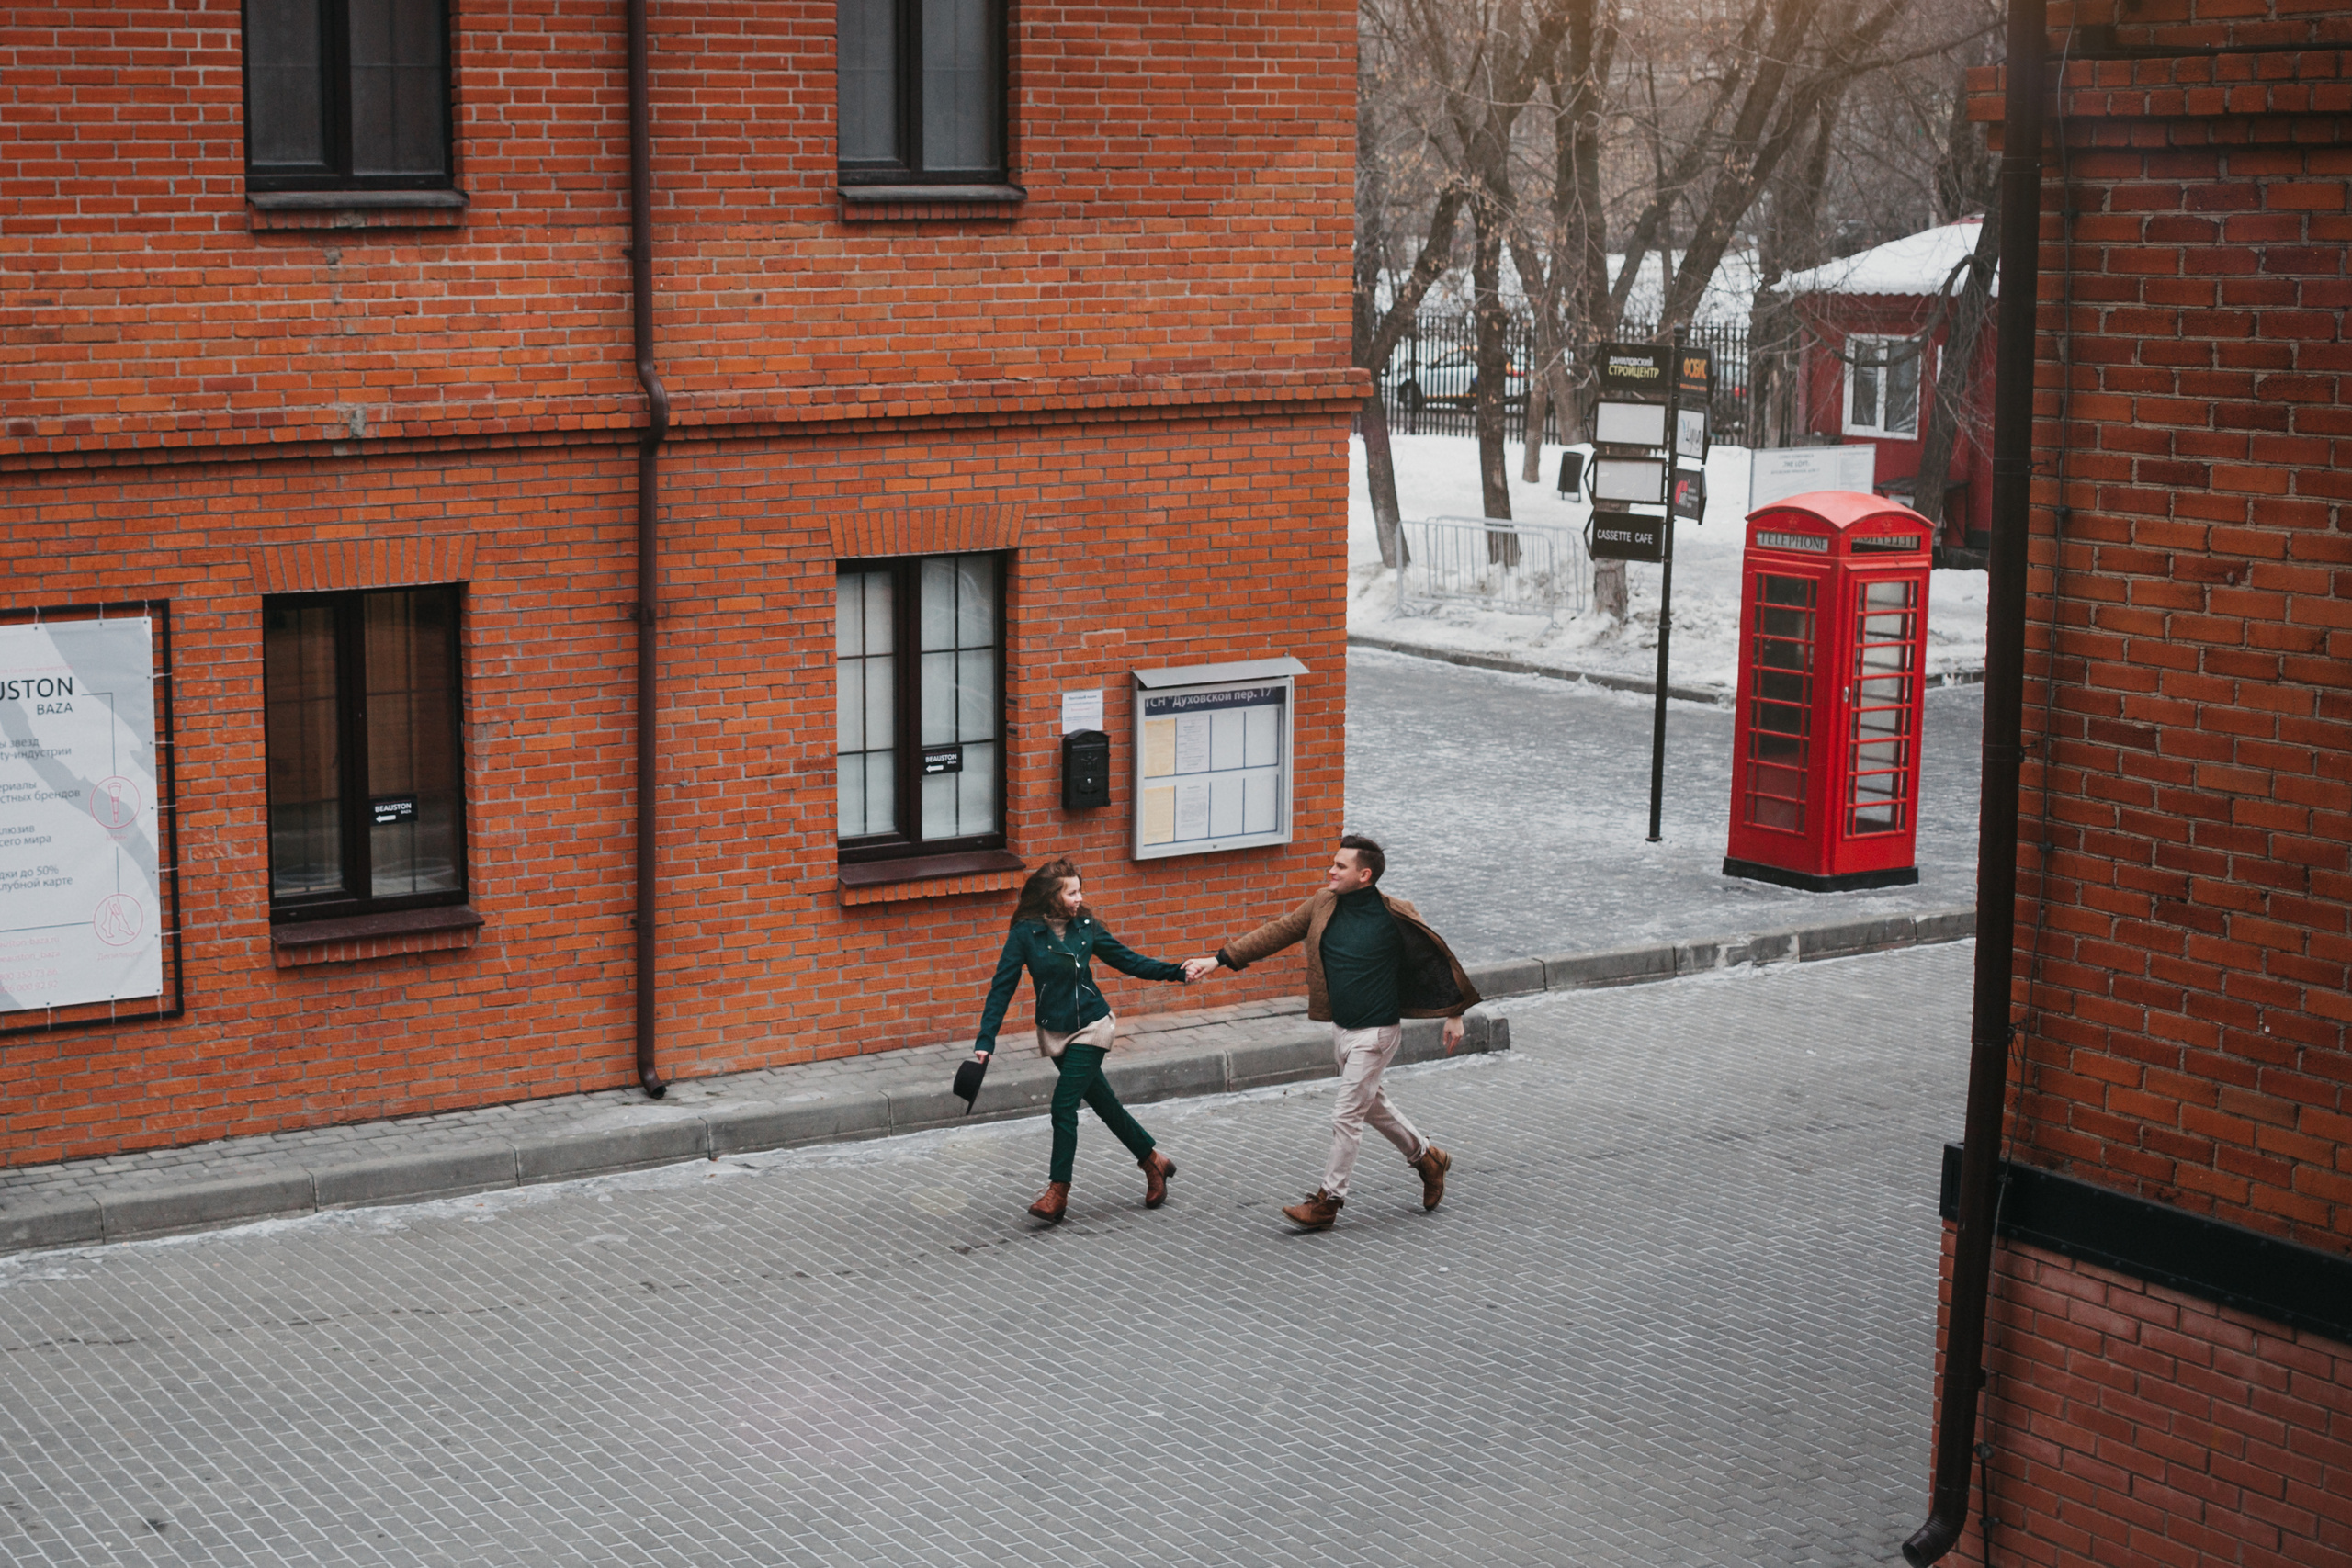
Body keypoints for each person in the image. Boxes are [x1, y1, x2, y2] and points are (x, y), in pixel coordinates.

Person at [1184, 834, 1477, 1231]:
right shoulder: (1324, 903)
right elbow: (1279, 930)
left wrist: (1454, 1011)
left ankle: (1328, 1201)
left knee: (1345, 1114)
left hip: (1377, 1033)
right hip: (1341, 1029)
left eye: (1340, 866)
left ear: (1364, 875)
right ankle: (1428, 1158)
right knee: (1370, 1105)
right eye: (1333, 863)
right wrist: (1218, 960)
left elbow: (1434, 959)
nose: (1331, 870)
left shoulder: (1395, 914)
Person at [970, 857, 1190, 1224]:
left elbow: (1129, 961)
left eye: (1078, 890)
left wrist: (1176, 972)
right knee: (1105, 1104)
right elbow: (1002, 987)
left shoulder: (1087, 926)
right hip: (1056, 1031)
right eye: (1071, 892)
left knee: (1063, 1106)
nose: (1078, 897)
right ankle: (1154, 1161)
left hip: (1092, 1024)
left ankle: (1058, 1192)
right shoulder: (1025, 933)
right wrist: (986, 1038)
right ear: (1052, 896)